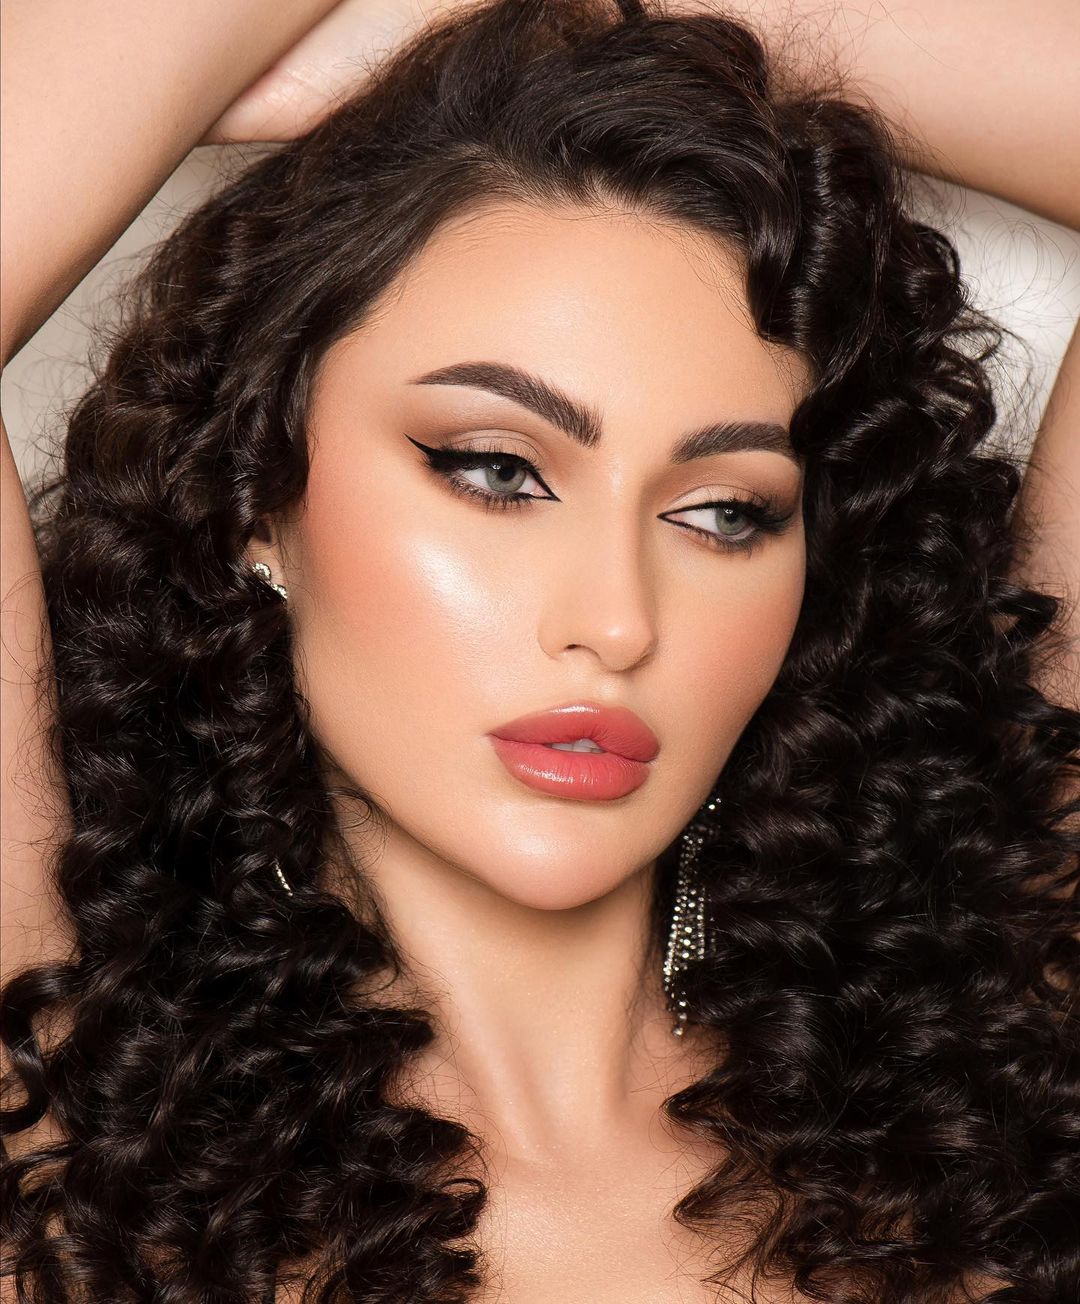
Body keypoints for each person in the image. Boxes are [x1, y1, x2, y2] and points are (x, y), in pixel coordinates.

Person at [1, 0, 1077, 1300]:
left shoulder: (992, 1064)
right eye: (497, 470)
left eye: (725, 512)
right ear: (252, 503)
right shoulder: (66, 1119)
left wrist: (599, 14)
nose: (618, 623)